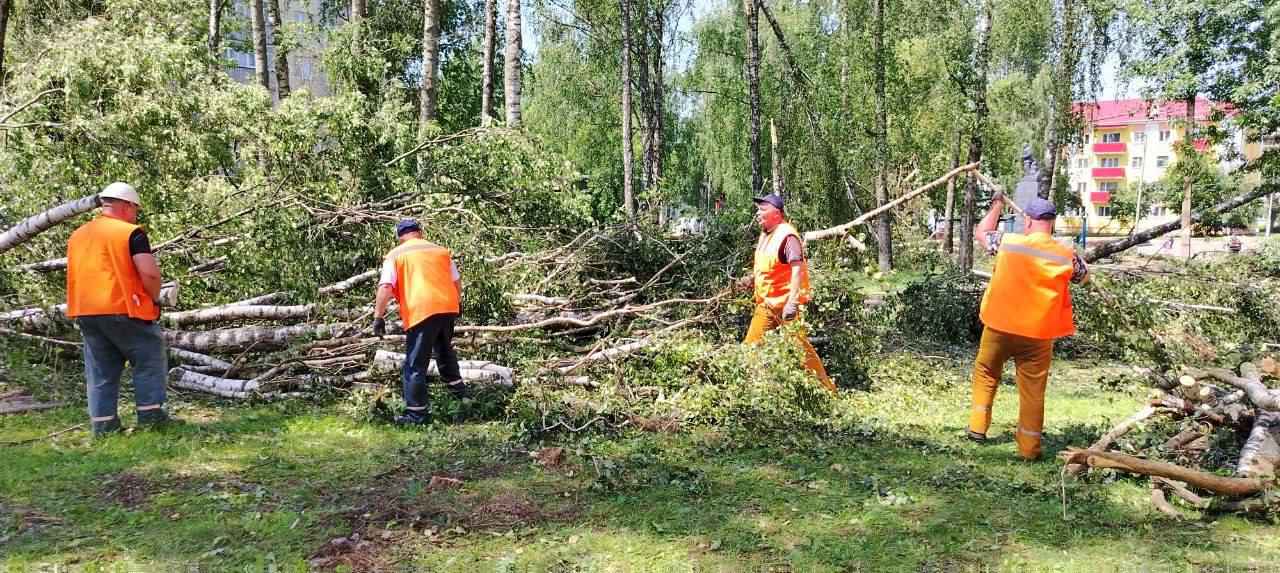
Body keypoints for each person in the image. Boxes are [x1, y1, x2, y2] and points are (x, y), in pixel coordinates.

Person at [967, 194, 1089, 460]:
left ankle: (977, 428)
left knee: (987, 373)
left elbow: (982, 232)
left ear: (1027, 221)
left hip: (1000, 326)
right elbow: (1084, 277)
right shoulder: (1066, 255)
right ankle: (1029, 448)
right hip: (1038, 334)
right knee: (1033, 390)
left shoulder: (1008, 243)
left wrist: (997, 204)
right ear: (1052, 223)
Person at [65, 182, 174, 436]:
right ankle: (152, 418)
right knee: (148, 357)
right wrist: (155, 297)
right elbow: (148, 272)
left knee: (101, 369)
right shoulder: (130, 233)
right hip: (124, 308)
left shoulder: (78, 235)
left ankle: (104, 426)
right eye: (135, 208)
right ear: (126, 206)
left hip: (86, 311)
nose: (136, 214)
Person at [372, 219, 467, 426]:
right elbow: (456, 281)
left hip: (422, 310)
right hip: (448, 307)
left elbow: (386, 286)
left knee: (414, 364)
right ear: (420, 233)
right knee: (445, 354)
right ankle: (463, 400)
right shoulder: (440, 250)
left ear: (400, 236)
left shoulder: (396, 254)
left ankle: (416, 415)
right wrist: (456, 305)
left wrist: (378, 316)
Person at [739, 193, 836, 392]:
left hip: (785, 305)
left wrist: (793, 302)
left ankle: (827, 391)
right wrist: (751, 279)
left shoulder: (787, 236)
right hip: (766, 304)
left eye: (762, 210)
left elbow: (797, 268)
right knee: (751, 348)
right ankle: (748, 392)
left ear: (776, 213)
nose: (758, 213)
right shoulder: (767, 234)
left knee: (800, 349)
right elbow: (770, 266)